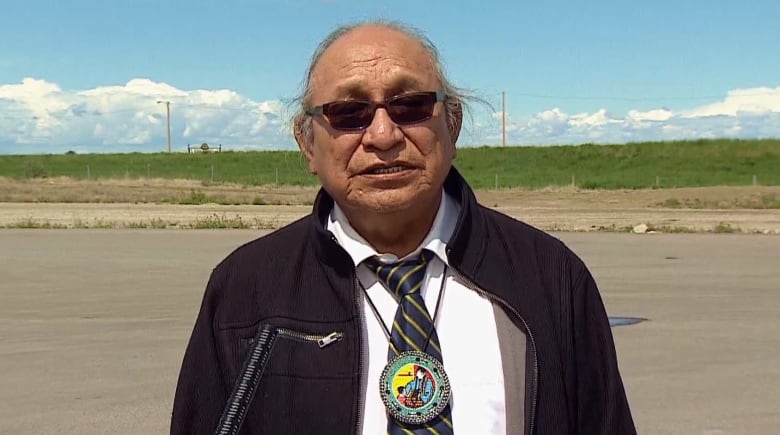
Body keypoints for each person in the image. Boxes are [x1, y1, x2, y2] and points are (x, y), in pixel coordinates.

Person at [171, 20, 636, 434]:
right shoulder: (246, 288)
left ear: (451, 127)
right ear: (307, 145)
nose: (383, 135)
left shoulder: (551, 278)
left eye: (410, 105)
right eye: (349, 113)